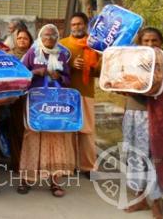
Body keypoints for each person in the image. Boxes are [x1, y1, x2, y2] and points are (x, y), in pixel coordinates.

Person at [18, 24, 74, 197]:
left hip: (56, 104)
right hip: (35, 102)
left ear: (57, 38)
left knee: (55, 138)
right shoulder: (32, 54)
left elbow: (68, 78)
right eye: (45, 36)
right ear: (40, 38)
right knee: (32, 137)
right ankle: (27, 179)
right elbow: (21, 75)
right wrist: (36, 72)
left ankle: (55, 182)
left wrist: (60, 77)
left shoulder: (62, 55)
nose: (49, 39)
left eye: (52, 36)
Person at [122, 27, 163, 218]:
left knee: (154, 156)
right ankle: (139, 198)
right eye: (146, 41)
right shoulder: (132, 61)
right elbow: (120, 80)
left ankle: (156, 201)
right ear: (140, 43)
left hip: (155, 115)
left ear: (161, 42)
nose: (150, 44)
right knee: (135, 155)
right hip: (133, 112)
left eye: (154, 41)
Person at [59, 12, 101, 177]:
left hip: (85, 92)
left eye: (79, 24)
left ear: (85, 25)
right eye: (74, 24)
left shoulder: (94, 45)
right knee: (67, 130)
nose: (76, 27)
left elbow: (99, 71)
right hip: (67, 94)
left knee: (87, 131)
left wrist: (89, 67)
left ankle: (88, 167)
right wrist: (70, 65)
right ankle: (68, 166)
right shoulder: (62, 44)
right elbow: (55, 68)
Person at [6, 29, 34, 171]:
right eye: (19, 38)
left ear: (30, 40)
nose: (22, 40)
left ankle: (30, 162)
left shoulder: (35, 54)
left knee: (29, 131)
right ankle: (16, 162)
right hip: (15, 98)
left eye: (25, 38)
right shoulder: (9, 55)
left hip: (32, 97)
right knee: (15, 130)